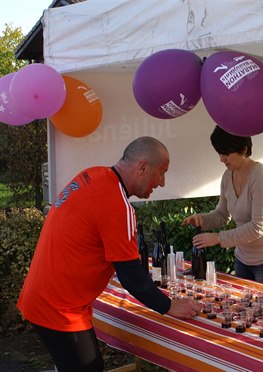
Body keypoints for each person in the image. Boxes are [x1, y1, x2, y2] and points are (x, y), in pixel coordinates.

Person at [18, 137, 201, 371]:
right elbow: (132, 276)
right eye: (161, 173)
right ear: (142, 167)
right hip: (60, 308)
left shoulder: (92, 174)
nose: (162, 183)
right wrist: (169, 306)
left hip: (41, 296)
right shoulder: (117, 204)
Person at [183, 126, 263, 287]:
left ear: (244, 149)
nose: (221, 159)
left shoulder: (261, 176)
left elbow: (258, 227)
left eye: (225, 153)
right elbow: (222, 215)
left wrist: (218, 238)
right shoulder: (227, 176)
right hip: (242, 259)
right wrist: (202, 219)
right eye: (219, 153)